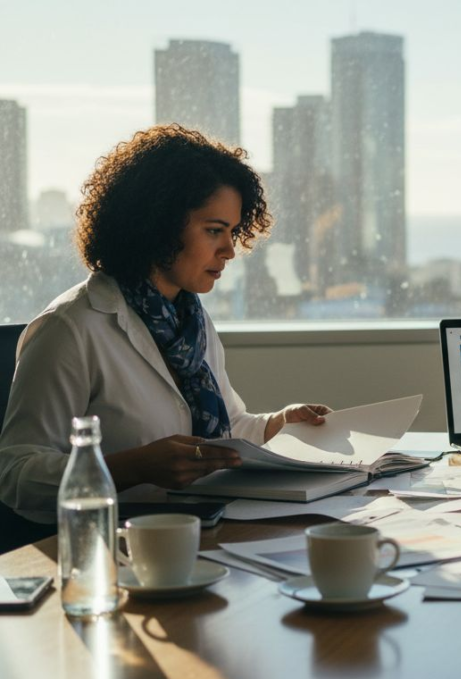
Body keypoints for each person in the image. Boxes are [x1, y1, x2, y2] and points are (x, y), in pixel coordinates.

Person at [0, 124, 330, 530]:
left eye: (232, 232)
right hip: (116, 545)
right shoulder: (70, 329)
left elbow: (225, 432)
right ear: (158, 224)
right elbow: (15, 474)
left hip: (202, 533)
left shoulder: (191, 320)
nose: (229, 250)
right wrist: (132, 468)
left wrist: (278, 424)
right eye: (214, 230)